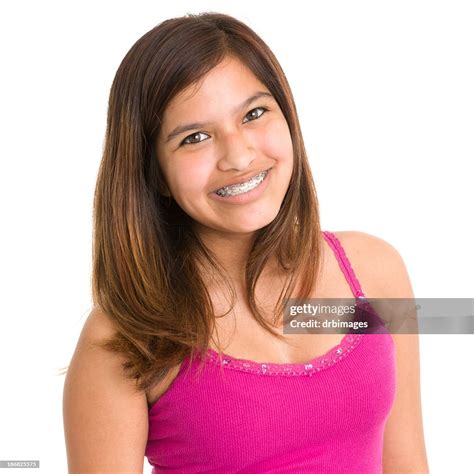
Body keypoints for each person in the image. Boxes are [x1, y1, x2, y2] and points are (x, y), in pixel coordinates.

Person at [62, 12, 429, 473]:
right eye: (195, 138)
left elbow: (409, 463)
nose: (238, 155)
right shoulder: (127, 336)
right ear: (153, 173)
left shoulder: (376, 271)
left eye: (254, 113)